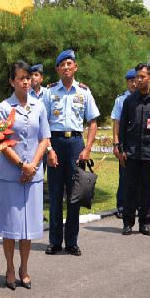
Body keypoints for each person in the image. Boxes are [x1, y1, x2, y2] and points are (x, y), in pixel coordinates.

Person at [0, 61, 50, 289]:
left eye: (28, 77)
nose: (26, 81)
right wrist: (21, 165)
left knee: (27, 228)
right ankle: (9, 267)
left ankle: (24, 268)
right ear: (11, 81)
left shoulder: (39, 106)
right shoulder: (4, 108)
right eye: (20, 78)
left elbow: (44, 138)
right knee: (11, 226)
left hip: (33, 175)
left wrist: (33, 165)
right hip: (11, 175)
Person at [44, 49, 100, 256]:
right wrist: (49, 149)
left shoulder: (84, 92)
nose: (66, 67)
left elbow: (93, 122)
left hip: (76, 144)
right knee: (57, 195)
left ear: (75, 67)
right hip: (56, 144)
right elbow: (43, 124)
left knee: (75, 195)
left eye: (70, 63)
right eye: (62, 64)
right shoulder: (49, 92)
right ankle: (55, 241)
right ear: (57, 69)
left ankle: (72, 242)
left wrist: (87, 148)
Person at [118, 63, 150, 236]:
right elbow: (122, 127)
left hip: (149, 152)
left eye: (142, 77)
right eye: (137, 76)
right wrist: (121, 149)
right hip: (131, 152)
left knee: (147, 188)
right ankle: (127, 222)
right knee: (129, 188)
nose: (138, 80)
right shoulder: (129, 101)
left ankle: (145, 223)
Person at [111, 68, 137, 219]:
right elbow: (117, 123)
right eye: (131, 81)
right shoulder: (121, 100)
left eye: (135, 80)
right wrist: (116, 143)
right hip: (125, 144)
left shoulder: (144, 98)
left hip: (139, 144)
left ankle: (136, 206)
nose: (134, 83)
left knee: (138, 177)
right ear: (127, 83)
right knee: (124, 176)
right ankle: (121, 205)